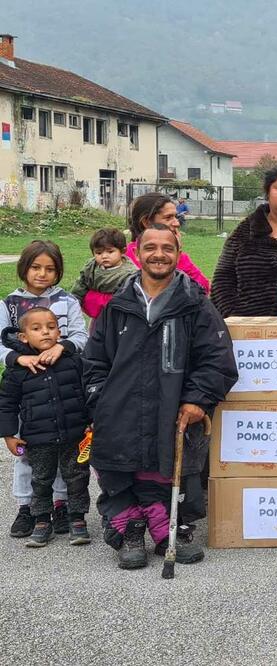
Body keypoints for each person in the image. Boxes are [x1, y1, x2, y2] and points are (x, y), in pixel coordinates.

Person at [84, 224, 237, 570]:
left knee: (165, 469)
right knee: (118, 468)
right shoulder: (116, 308)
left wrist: (198, 399)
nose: (159, 254)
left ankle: (168, 528)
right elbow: (93, 362)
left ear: (178, 254)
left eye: (167, 248)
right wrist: (101, 400)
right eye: (150, 247)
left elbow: (218, 360)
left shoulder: (196, 306)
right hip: (119, 410)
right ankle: (130, 530)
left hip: (172, 409)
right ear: (136, 254)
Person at [4, 240, 87, 540]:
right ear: (24, 268)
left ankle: (61, 504)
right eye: (35, 267)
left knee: (67, 452)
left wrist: (63, 347)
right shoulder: (10, 304)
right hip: (31, 392)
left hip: (63, 387)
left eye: (50, 269)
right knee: (29, 453)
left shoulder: (67, 301)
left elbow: (81, 335)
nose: (42, 274)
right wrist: (17, 357)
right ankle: (27, 507)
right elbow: (1, 345)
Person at [212, 165, 277, 317]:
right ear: (268, 192)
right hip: (248, 327)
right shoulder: (244, 232)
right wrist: (234, 315)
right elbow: (222, 278)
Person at [124, 192, 211, 293]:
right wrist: (177, 255)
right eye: (168, 218)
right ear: (147, 222)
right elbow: (199, 288)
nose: (177, 223)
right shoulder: (130, 260)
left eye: (175, 217)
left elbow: (203, 287)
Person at [70, 228, 138, 320]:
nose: (104, 256)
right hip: (95, 315)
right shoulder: (91, 267)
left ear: (122, 251)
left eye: (110, 252)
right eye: (99, 253)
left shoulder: (129, 274)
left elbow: (127, 298)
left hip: (116, 316)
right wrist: (74, 302)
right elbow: (81, 285)